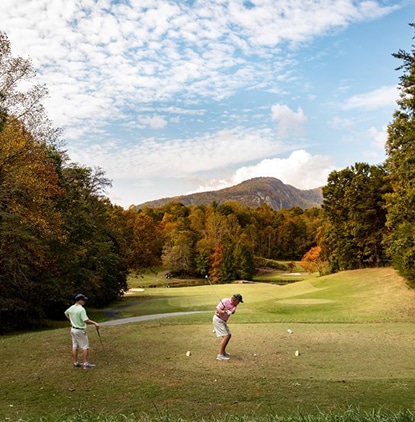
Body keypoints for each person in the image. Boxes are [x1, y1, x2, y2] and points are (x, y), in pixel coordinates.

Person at [64, 294, 100, 369]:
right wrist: (95, 323)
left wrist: (71, 320)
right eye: (83, 300)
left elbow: (66, 313)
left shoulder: (72, 307)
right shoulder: (81, 309)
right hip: (80, 330)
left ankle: (75, 362)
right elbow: (86, 320)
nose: (84, 301)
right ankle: (86, 364)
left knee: (75, 346)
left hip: (73, 329)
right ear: (79, 300)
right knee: (85, 346)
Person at [212, 293, 243, 361]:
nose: (238, 303)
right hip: (218, 319)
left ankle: (223, 352)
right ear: (235, 299)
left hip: (223, 321)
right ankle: (220, 355)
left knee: (228, 335)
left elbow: (233, 311)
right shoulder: (225, 301)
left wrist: (231, 312)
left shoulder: (235, 304)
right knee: (226, 336)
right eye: (238, 301)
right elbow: (217, 310)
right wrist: (224, 311)